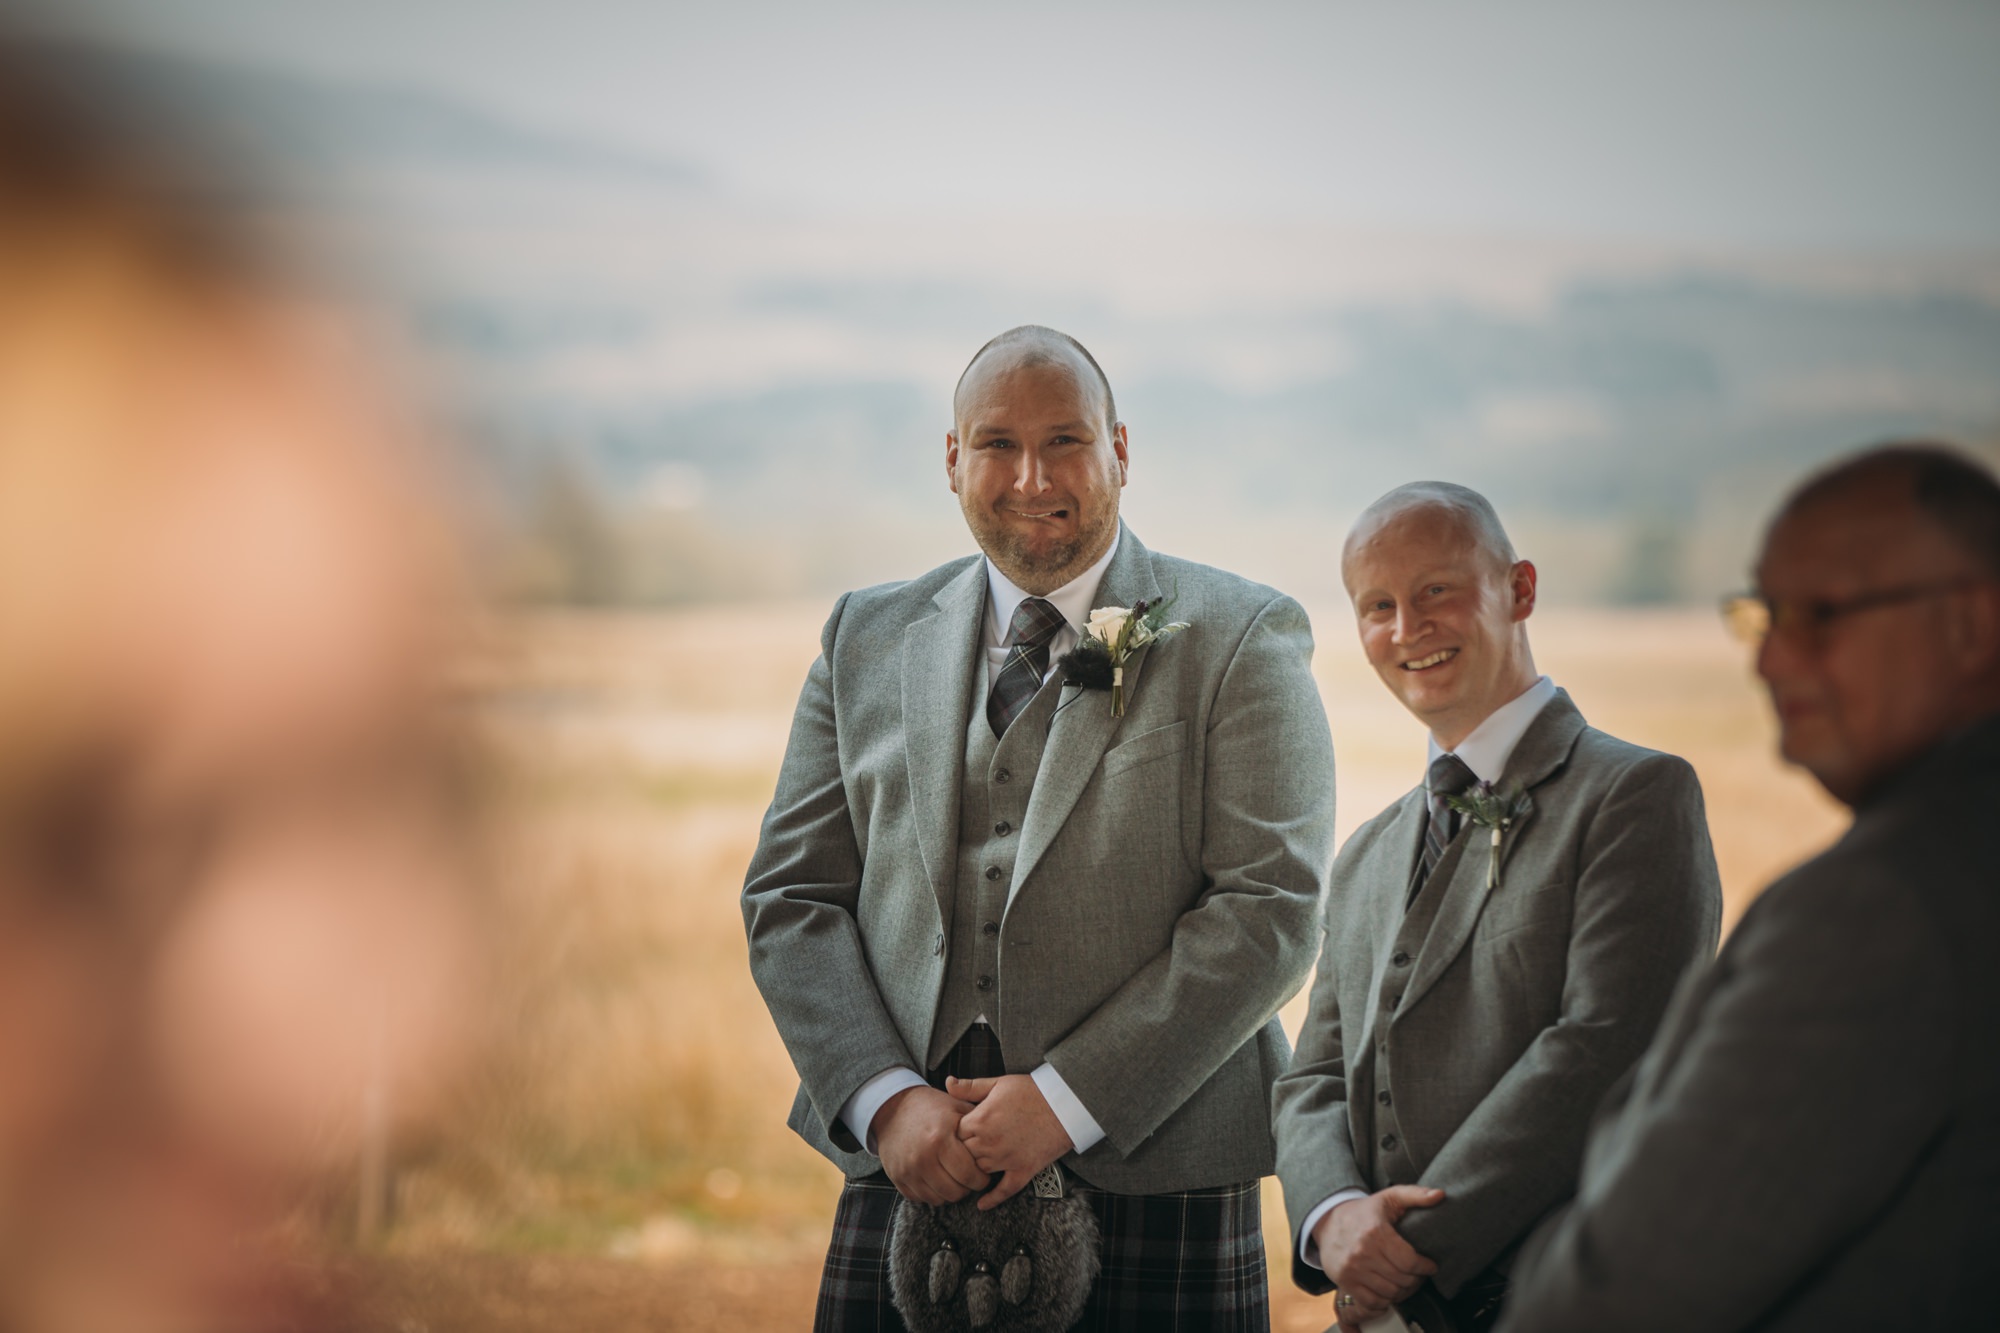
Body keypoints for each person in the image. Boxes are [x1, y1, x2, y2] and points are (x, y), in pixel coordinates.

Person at [741, 325, 1336, 1330]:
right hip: (907, 1169)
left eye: (1065, 440)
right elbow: (791, 897)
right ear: (950, 460)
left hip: (1158, 1172)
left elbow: (1269, 909)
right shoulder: (864, 636)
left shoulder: (1239, 633)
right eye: (995, 445)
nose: (1030, 476)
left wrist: (1062, 1100)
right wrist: (887, 1100)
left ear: (1120, 452)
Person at [1499, 444, 2000, 1331]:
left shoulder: (1871, 915)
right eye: (1764, 615)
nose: (1770, 663)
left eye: (1820, 614)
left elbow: (1617, 1295)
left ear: (1972, 625)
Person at [1272, 482, 1722, 1332]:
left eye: (1437, 590)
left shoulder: (1636, 795)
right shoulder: (1367, 850)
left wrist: (1402, 1250)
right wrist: (1333, 1215)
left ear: (1519, 589)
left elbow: (1604, 1051)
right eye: (1378, 605)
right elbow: (1312, 1077)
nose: (1408, 629)